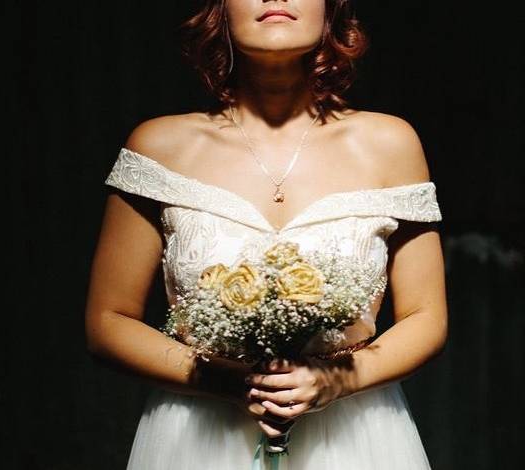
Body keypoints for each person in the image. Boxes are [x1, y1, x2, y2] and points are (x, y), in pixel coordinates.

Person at [85, 1, 448, 468]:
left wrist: (334, 381)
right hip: (201, 438)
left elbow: (428, 314)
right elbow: (107, 322)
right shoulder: (160, 146)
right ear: (219, 10)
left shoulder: (390, 143)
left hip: (355, 438)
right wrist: (231, 383)